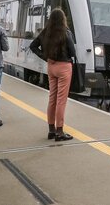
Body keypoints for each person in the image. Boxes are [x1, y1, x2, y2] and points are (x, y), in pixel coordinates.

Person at [29, 9, 76, 141]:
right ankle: (60, 132)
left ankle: (51, 130)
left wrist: (45, 57)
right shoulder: (66, 33)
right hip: (64, 67)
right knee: (61, 100)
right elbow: (72, 52)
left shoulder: (46, 32)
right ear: (63, 19)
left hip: (51, 67)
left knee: (52, 98)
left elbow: (33, 46)